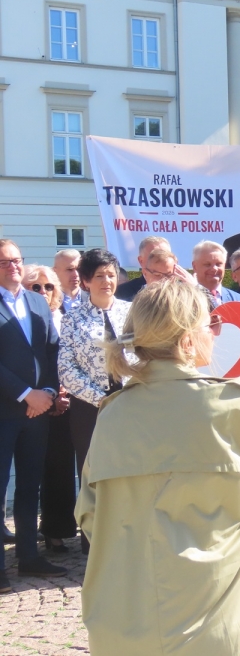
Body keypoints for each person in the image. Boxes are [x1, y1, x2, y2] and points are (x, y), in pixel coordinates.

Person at [74, 279, 240, 655]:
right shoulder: (225, 402)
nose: (217, 333)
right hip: (222, 624)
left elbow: (89, 514)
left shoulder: (112, 415)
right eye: (212, 324)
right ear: (188, 339)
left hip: (126, 625)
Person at [0, 239, 65, 591]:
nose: (13, 266)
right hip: (5, 410)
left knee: (29, 487)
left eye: (17, 260)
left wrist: (49, 392)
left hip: (37, 412)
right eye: (5, 262)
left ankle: (29, 557)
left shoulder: (37, 301)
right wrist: (27, 393)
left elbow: (52, 350)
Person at [58, 248, 131, 553]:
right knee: (94, 474)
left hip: (133, 405)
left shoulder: (132, 312)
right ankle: (94, 543)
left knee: (131, 470)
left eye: (111, 275)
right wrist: (101, 399)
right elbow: (66, 368)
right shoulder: (72, 318)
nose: (106, 281)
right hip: (91, 408)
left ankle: (130, 538)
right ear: (86, 280)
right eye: (99, 275)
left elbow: (147, 354)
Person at [22, 265, 77, 553]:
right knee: (36, 472)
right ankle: (31, 539)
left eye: (48, 286)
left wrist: (62, 393)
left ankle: (58, 530)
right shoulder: (21, 318)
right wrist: (49, 394)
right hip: (33, 403)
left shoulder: (68, 317)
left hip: (68, 402)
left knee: (61, 469)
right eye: (35, 287)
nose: (42, 292)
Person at [115, 236, 171, 301]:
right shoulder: (122, 292)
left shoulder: (181, 287)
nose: (160, 260)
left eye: (164, 255)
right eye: (153, 256)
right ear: (141, 261)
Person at [191, 240, 240, 305]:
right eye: (207, 264)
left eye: (218, 264)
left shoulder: (239, 300)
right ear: (195, 267)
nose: (214, 269)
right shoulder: (185, 299)